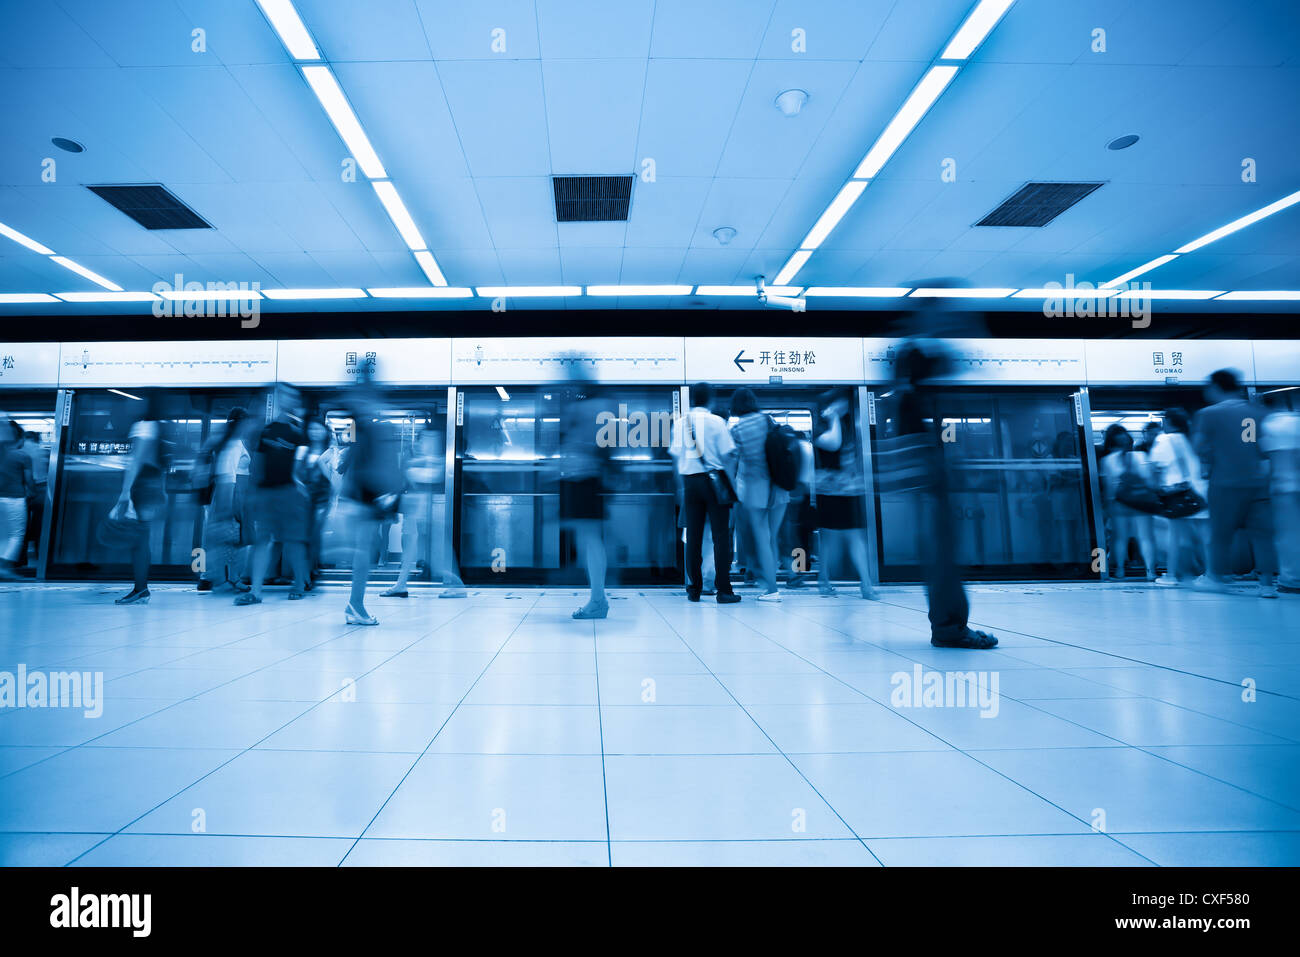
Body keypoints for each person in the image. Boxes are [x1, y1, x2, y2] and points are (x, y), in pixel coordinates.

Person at [889, 338, 997, 648]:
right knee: (942, 557)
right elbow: (923, 452)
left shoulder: (910, 400)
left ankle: (949, 625)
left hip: (928, 492)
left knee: (941, 557)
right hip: (931, 492)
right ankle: (950, 628)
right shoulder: (917, 403)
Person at [1192, 369, 1278, 598]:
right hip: (1258, 483)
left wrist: (1209, 460)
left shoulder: (1208, 414)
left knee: (1220, 534)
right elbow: (1265, 449)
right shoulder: (1259, 412)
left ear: (1216, 387)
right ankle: (1267, 585)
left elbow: (1199, 446)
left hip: (1224, 483)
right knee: (1262, 535)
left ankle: (1216, 578)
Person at [236, 385, 312, 606]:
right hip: (267, 492)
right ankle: (256, 591)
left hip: (290, 492)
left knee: (294, 540)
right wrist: (253, 491)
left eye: (293, 397)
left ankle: (299, 584)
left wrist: (301, 484)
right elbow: (258, 464)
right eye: (286, 396)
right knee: (263, 540)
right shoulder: (267, 431)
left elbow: (304, 464)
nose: (289, 400)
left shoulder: (299, 433)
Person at [337, 383, 404, 625]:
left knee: (363, 551)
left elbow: (348, 461)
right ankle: (355, 605)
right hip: (364, 495)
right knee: (363, 551)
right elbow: (369, 464)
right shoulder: (367, 427)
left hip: (361, 494)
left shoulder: (360, 425)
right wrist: (389, 495)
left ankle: (355, 604)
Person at [669, 382, 740, 604]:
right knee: (720, 537)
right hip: (715, 481)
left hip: (690, 483)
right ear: (710, 400)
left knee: (694, 538)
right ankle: (724, 591)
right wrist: (733, 487)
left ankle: (694, 589)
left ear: (692, 400)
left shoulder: (681, 423)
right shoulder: (717, 422)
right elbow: (728, 456)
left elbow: (676, 457)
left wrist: (680, 487)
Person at [381, 425, 467, 599]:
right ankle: (401, 584)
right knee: (411, 547)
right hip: (415, 508)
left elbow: (430, 476)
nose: (427, 442)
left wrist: (415, 467)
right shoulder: (418, 459)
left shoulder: (438, 460)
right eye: (425, 438)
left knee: (437, 547)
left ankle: (456, 584)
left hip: (429, 507)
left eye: (432, 439)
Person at [812, 388, 877, 600]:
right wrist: (832, 418)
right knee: (828, 539)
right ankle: (824, 581)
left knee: (854, 537)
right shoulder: (822, 429)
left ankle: (866, 584)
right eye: (839, 403)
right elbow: (834, 443)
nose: (844, 406)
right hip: (829, 491)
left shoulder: (848, 425)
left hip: (849, 490)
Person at [558, 365, 610, 619]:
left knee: (589, 539)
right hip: (589, 478)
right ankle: (598, 598)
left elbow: (579, 444)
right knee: (589, 538)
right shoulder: (600, 406)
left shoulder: (584, 408)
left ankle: (598, 600)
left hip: (583, 478)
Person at [728, 388, 787, 601]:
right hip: (779, 487)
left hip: (755, 489)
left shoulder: (737, 430)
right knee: (773, 539)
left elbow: (732, 463)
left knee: (762, 538)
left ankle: (772, 589)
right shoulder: (768, 420)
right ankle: (771, 584)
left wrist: (732, 491)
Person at [111, 392, 169, 605]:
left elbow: (135, 461)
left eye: (135, 400)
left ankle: (140, 588)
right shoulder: (156, 427)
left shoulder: (143, 427)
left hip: (142, 485)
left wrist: (124, 493)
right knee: (141, 539)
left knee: (139, 540)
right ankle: (141, 587)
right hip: (152, 483)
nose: (129, 403)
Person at [198, 407, 256, 592]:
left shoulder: (228, 441)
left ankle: (225, 577)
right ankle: (229, 578)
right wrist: (229, 504)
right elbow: (230, 474)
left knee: (231, 537)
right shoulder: (235, 443)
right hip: (233, 493)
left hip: (231, 492)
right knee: (233, 537)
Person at [1148, 409, 1208, 583]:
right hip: (1200, 492)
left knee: (1176, 536)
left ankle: (1173, 575)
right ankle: (1210, 573)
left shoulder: (1164, 439)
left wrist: (1156, 487)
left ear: (1168, 422)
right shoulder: (1191, 439)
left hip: (1179, 494)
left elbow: (1156, 466)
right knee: (1203, 537)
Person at [1098, 423, 1157, 581]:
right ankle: (1150, 571)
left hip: (1120, 503)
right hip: (1141, 503)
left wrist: (1108, 506)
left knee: (1120, 538)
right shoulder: (1142, 456)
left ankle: (1120, 571)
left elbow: (1109, 487)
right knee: (1146, 537)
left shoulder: (1107, 461)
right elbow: (1150, 481)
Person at [1260, 391, 1299, 594]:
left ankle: (1291, 580)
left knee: (1288, 536)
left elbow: (1270, 462)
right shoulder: (1296, 421)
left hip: (1284, 488)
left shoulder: (1270, 425)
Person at [302, 416, 336, 584]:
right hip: (304, 497)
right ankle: (306, 571)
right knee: (305, 535)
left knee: (314, 534)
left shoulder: (330, 451)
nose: (315, 432)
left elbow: (333, 477)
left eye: (318, 429)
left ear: (324, 432)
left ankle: (311, 570)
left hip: (322, 496)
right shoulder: (304, 450)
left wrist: (322, 463)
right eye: (311, 429)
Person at [0, 420, 32, 580]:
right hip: (15, 498)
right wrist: (32, 492)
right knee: (16, 534)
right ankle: (5, 568)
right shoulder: (22, 456)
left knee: (2, 534)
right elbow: (29, 480)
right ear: (20, 438)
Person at [20, 432, 48, 568]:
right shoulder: (43, 451)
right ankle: (40, 555)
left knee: (21, 524)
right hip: (42, 490)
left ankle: (20, 558)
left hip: (23, 489)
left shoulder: (19, 450)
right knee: (40, 525)